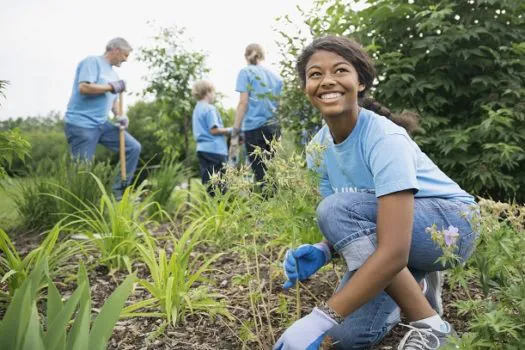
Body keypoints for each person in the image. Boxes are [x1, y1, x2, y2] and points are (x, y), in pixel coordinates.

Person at [274, 35, 479, 350]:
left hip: (450, 227)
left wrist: (318, 318)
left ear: (361, 82)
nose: (327, 80)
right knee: (343, 337)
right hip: (398, 232)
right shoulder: (318, 149)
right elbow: (360, 224)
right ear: (306, 87)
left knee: (334, 210)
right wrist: (324, 249)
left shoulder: (383, 138)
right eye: (315, 74)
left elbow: (386, 244)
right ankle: (415, 284)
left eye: (340, 71)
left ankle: (430, 325)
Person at [64, 37, 141, 200]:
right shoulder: (92, 62)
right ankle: (78, 206)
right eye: (125, 55)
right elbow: (84, 87)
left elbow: (112, 101)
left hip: (102, 123)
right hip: (81, 124)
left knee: (133, 147)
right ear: (116, 50)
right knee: (82, 169)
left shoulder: (113, 73)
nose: (126, 60)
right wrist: (112, 87)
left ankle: (118, 193)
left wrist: (120, 115)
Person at [230, 43, 283, 188]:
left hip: (254, 129)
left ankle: (268, 207)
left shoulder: (245, 72)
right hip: (274, 127)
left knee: (261, 175)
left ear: (246, 56)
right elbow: (280, 106)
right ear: (262, 55)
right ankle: (277, 207)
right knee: (272, 173)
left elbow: (243, 103)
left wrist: (235, 130)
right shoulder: (276, 77)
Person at [191, 80, 232, 196]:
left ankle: (212, 211)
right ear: (208, 92)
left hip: (202, 150)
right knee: (221, 187)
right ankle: (222, 212)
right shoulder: (209, 109)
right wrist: (231, 130)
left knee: (210, 186)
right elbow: (213, 130)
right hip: (215, 151)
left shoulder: (197, 109)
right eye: (213, 92)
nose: (214, 95)